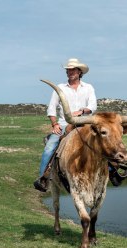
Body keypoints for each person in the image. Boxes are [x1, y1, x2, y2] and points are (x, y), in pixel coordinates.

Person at [34, 58, 97, 192]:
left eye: (73, 70)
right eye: (68, 70)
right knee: (50, 147)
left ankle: (112, 170)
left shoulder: (88, 87)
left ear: (80, 72)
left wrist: (82, 111)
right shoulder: (60, 88)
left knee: (103, 141)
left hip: (84, 122)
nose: (70, 72)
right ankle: (43, 179)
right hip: (65, 123)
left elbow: (93, 106)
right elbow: (51, 108)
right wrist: (55, 124)